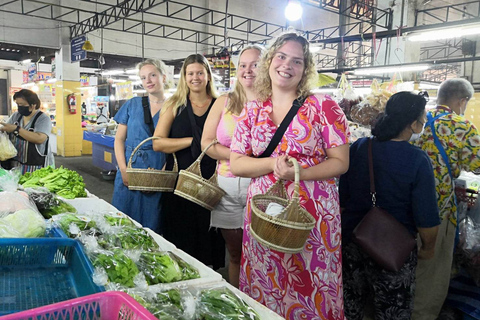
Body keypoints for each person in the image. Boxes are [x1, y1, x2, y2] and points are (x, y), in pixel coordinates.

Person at [229, 32, 349, 319]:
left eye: (297, 61)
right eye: (281, 56)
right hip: (264, 212)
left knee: (311, 281)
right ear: (269, 61)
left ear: (305, 70)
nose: (287, 65)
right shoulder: (252, 110)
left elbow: (340, 162)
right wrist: (272, 165)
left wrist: (301, 171)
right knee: (265, 277)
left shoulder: (323, 106)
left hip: (312, 215)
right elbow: (236, 163)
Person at [339, 91, 441, 320]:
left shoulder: (359, 147)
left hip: (353, 242)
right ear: (413, 124)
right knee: (392, 311)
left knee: (351, 306)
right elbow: (427, 217)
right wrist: (428, 249)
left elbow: (342, 199)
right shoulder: (417, 159)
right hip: (393, 249)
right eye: (422, 120)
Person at [411, 78, 480, 320]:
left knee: (408, 263)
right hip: (438, 209)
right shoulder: (460, 125)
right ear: (462, 101)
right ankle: (422, 315)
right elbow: (478, 163)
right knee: (433, 268)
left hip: (406, 205)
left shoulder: (416, 121)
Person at [153, 53, 225, 269]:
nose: (195, 77)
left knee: (208, 241)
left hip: (212, 185)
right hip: (179, 186)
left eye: (200, 73)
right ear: (184, 77)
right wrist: (193, 141)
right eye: (190, 73)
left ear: (208, 76)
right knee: (180, 240)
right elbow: (157, 143)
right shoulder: (175, 105)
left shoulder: (221, 105)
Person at [201, 44, 264, 288]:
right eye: (242, 65)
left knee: (261, 254)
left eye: (255, 65)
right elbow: (207, 143)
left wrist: (246, 162)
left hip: (260, 185)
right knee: (235, 253)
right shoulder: (224, 102)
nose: (248, 71)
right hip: (225, 187)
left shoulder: (273, 104)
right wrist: (240, 157)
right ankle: (241, 300)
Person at [112, 58, 167, 233]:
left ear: (163, 77)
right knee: (123, 223)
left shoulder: (175, 106)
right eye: (143, 78)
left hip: (158, 168)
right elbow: (119, 139)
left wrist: (163, 175)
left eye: (152, 75)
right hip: (130, 168)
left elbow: (175, 144)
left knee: (153, 225)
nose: (148, 81)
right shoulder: (132, 104)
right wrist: (123, 170)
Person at [0, 89, 53, 174]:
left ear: (33, 105)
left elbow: (40, 138)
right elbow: (6, 128)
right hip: (16, 165)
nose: (19, 107)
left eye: (22, 105)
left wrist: (17, 129)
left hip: (37, 167)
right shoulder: (16, 116)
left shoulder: (43, 119)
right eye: (17, 104)